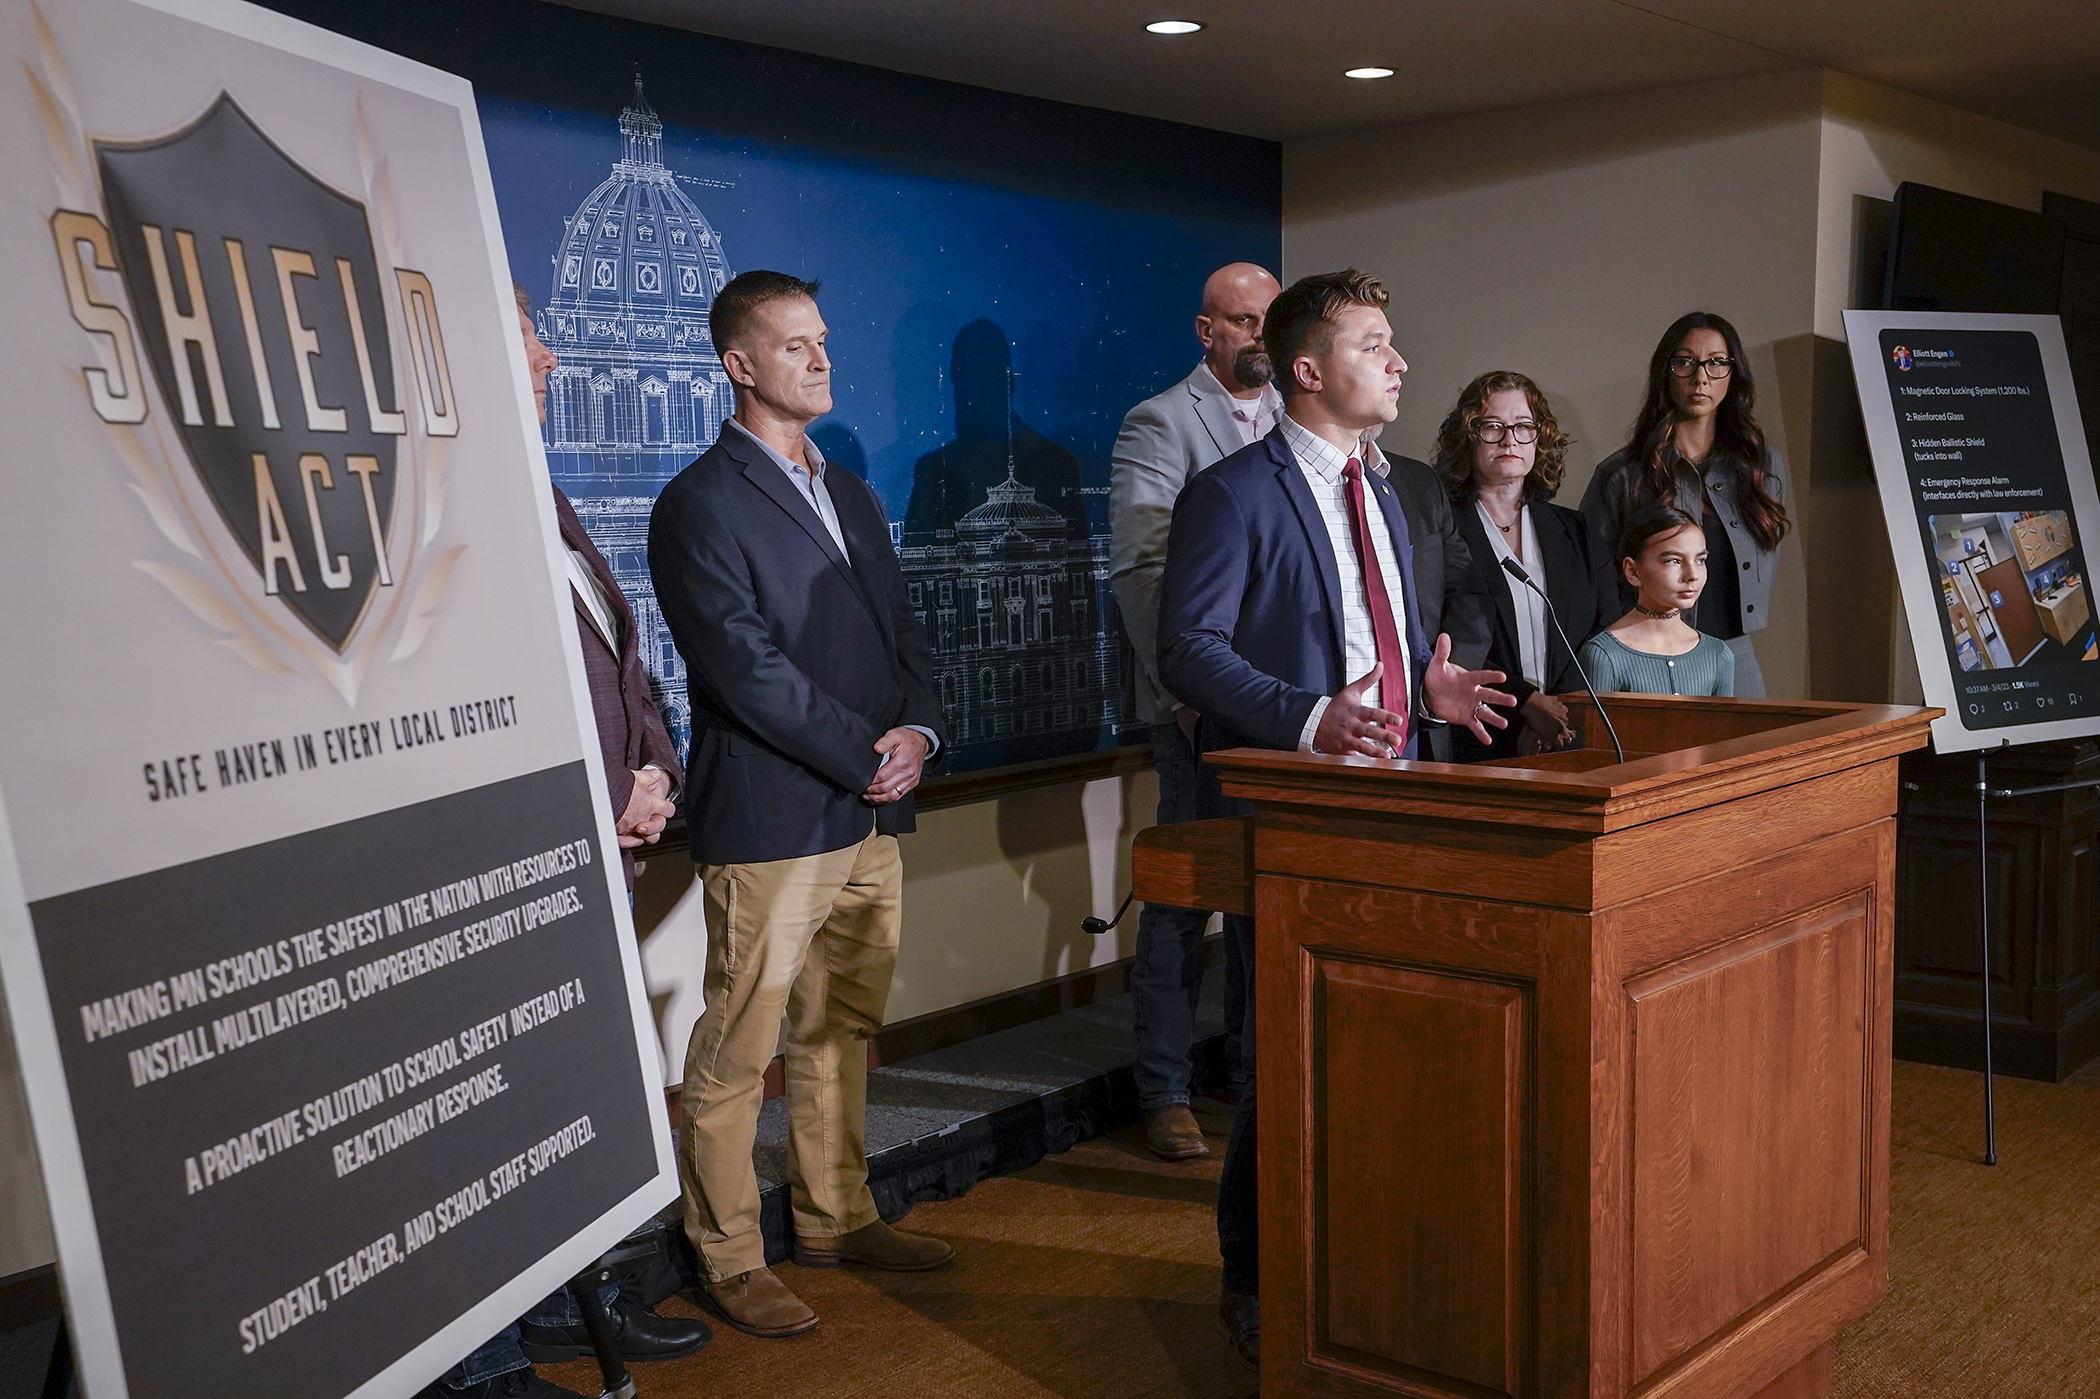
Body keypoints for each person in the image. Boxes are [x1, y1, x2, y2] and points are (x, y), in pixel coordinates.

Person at [1156, 268, 1512, 1371]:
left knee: (1390, 1039)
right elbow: (1190, 650)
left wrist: (1432, 694)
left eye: (1396, 342)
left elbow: (1393, 635)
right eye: (1373, 343)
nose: (1400, 361)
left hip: (1404, 796)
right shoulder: (1232, 493)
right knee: (1289, 1050)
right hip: (1293, 808)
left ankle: (1370, 1259)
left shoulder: (1402, 487)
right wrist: (1310, 717)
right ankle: (1256, 1275)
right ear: (1308, 369)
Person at [648, 271, 952, 1341]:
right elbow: (741, 667)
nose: (821, 359)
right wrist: (859, 755)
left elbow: (906, 638)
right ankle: (726, 1257)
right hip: (776, 815)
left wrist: (916, 733)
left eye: (822, 340)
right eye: (795, 345)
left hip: (870, 813)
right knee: (739, 1048)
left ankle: (836, 1215)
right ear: (739, 364)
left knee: (840, 1027)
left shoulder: (855, 492)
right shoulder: (697, 501)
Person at [417, 292, 708, 1399]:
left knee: (565, 1102)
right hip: (512, 872)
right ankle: (486, 1360)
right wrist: (599, 797)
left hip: (600, 853)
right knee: (499, 1119)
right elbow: (477, 707)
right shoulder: (442, 504)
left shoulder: (540, 489)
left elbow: (623, 672)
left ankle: (560, 1307)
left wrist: (652, 778)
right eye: (522, 332)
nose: (548, 354)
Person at [1108, 261, 1281, 1161]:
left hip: (1282, 709)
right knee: (1182, 896)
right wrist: (1182, 692)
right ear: (1205, 330)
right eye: (1243, 321)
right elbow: (1141, 570)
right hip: (1193, 706)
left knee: (1268, 895)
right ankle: (1163, 1087)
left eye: (1270, 321)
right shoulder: (1162, 421)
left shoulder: (1300, 417)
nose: (1259, 336)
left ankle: (1255, 1076)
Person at [1580, 312, 1789, 697]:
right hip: (1647, 659)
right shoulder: (1622, 474)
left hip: (1736, 655)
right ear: (1666, 371)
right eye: (1685, 362)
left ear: (1734, 373)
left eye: (1717, 362)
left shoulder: (1762, 466)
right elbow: (1592, 587)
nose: (1701, 377)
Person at [1433, 371, 1618, 759]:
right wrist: (1527, 704)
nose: (1509, 439)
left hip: (1571, 734)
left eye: (1523, 426)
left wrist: (1557, 714)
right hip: (1481, 733)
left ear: (1540, 438)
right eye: (1492, 426)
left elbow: (1604, 634)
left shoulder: (1578, 530)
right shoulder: (1440, 527)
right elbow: (1438, 638)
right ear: (1468, 436)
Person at [1577, 505, 1736, 696]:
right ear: (1633, 571)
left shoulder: (1718, 654)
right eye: (1674, 561)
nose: (1692, 575)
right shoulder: (1603, 655)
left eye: (1700, 560)